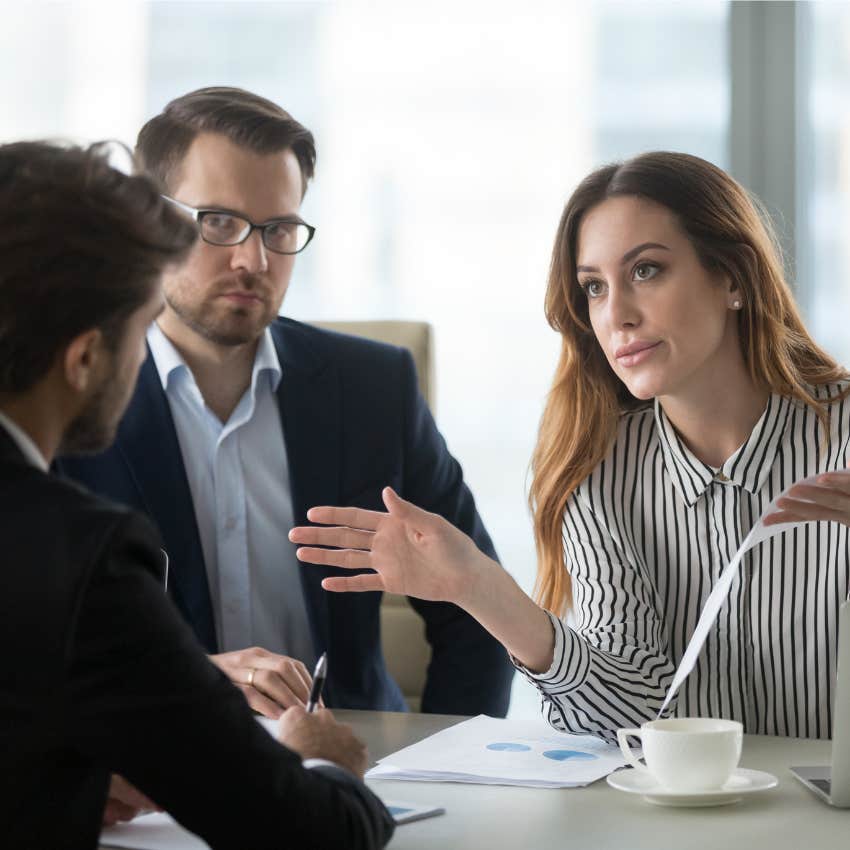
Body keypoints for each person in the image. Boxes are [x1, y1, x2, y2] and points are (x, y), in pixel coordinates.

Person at [290, 151, 850, 742]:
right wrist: (483, 592)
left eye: (646, 271)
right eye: (594, 288)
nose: (618, 316)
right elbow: (633, 718)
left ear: (732, 277)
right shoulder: (599, 468)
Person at [58, 86, 513, 718]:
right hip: (149, 777)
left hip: (351, 769)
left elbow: (478, 616)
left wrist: (443, 769)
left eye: (280, 229)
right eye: (217, 222)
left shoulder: (374, 388)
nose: (254, 259)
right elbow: (33, 648)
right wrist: (187, 683)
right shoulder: (69, 393)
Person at [0, 139, 393, 848]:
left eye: (277, 229)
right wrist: (324, 765)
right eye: (139, 325)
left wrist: (69, 779)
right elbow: (313, 835)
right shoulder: (79, 554)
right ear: (86, 357)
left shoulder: (370, 387)